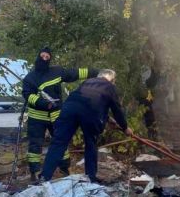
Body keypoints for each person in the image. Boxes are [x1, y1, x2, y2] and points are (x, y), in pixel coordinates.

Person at [40, 69, 133, 182]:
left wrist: (108, 119)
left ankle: (44, 177)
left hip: (68, 109)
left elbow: (88, 101)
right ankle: (90, 178)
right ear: (112, 79)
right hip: (90, 111)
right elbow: (116, 109)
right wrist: (125, 128)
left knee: (58, 143)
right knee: (91, 144)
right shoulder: (109, 86)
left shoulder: (87, 82)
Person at [21, 47, 99, 181]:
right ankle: (35, 171)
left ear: (50, 59)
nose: (44, 59)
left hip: (56, 115)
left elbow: (75, 73)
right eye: (43, 56)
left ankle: (64, 169)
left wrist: (96, 72)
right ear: (38, 56)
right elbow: (28, 96)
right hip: (36, 117)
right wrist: (44, 103)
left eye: (47, 57)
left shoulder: (56, 72)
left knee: (61, 141)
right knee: (35, 144)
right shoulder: (30, 78)